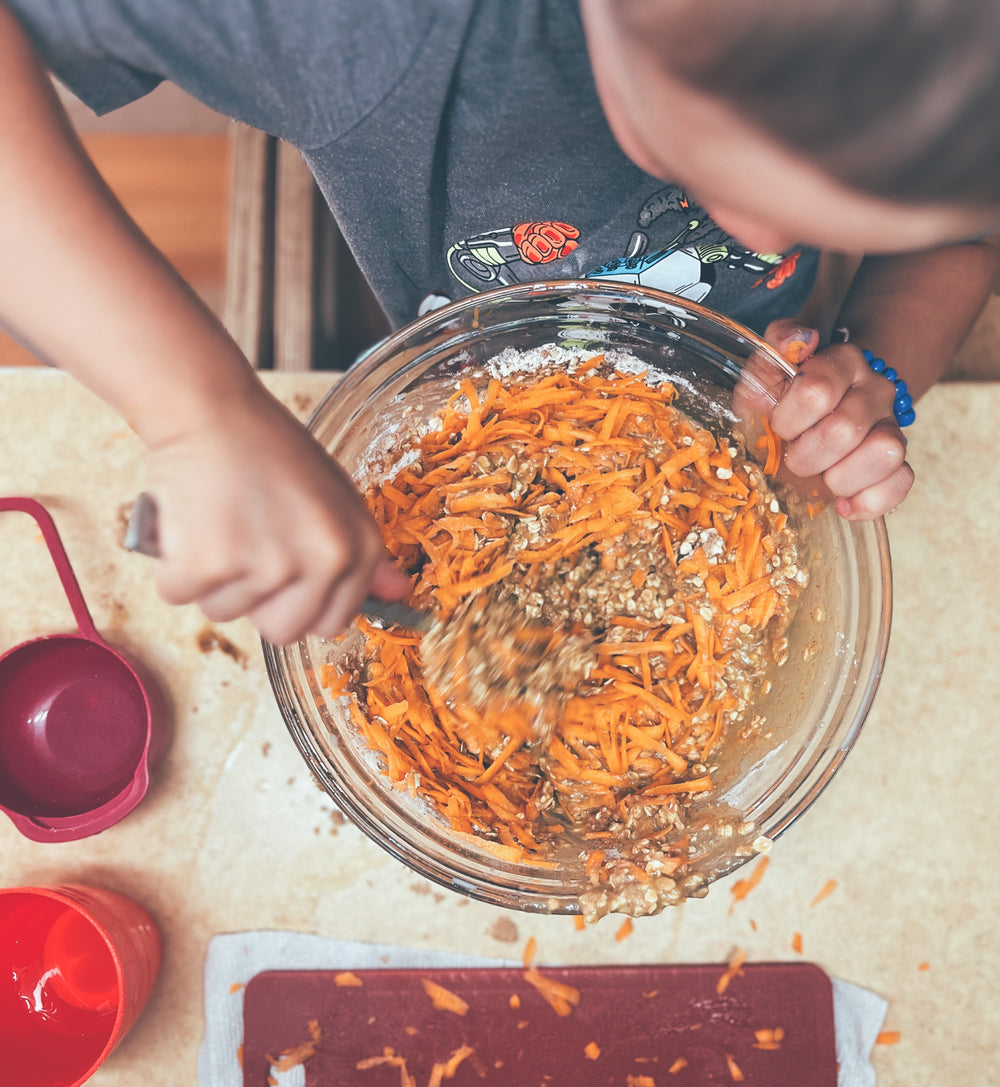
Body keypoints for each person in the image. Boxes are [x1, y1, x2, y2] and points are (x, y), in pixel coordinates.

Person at [1, 0, 998, 644]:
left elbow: (969, 231)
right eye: (739, 190)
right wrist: (195, 409)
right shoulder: (356, 29)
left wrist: (876, 361)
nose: (780, 241)